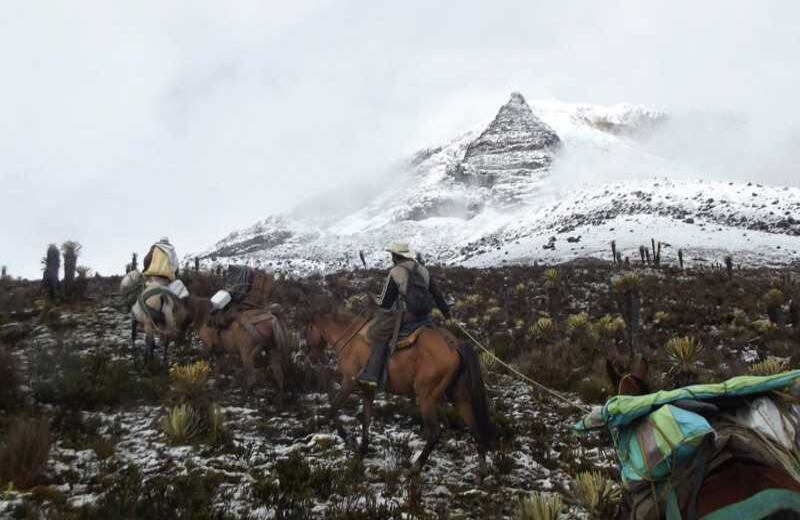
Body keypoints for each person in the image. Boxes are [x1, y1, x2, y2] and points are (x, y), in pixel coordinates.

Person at [358, 241, 451, 387]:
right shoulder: (423, 270)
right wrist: (447, 313)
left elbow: (385, 303)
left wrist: (374, 298)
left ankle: (371, 375)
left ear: (395, 256)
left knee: (376, 332)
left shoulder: (396, 272)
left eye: (392, 255)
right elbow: (437, 294)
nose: (391, 258)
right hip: (425, 317)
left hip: (407, 317)